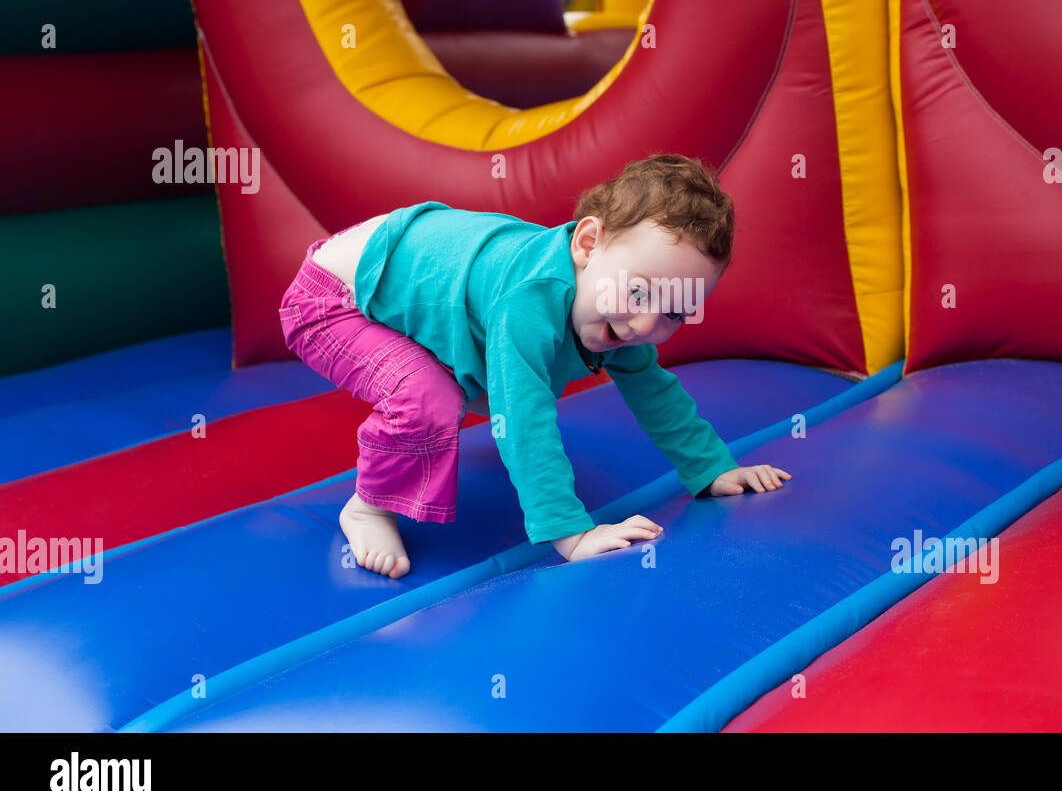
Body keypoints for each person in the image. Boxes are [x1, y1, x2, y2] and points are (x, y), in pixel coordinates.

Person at [278, 154, 792, 579]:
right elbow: (522, 419)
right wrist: (572, 533)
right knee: (433, 398)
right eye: (639, 292)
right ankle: (368, 506)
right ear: (587, 244)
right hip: (332, 299)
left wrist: (714, 469)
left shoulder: (620, 304)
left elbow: (654, 389)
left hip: (412, 284)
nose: (644, 324)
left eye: (675, 311)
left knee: (507, 381)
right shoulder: (532, 299)